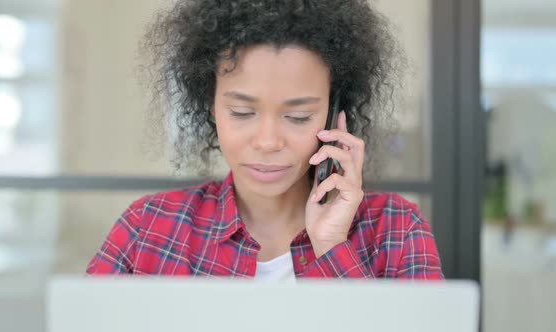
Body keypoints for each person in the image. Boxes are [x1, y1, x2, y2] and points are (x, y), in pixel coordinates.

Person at [87, 0, 443, 279]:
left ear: (334, 113)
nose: (268, 141)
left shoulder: (396, 230)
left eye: (298, 117)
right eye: (242, 113)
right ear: (210, 105)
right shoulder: (146, 228)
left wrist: (332, 247)